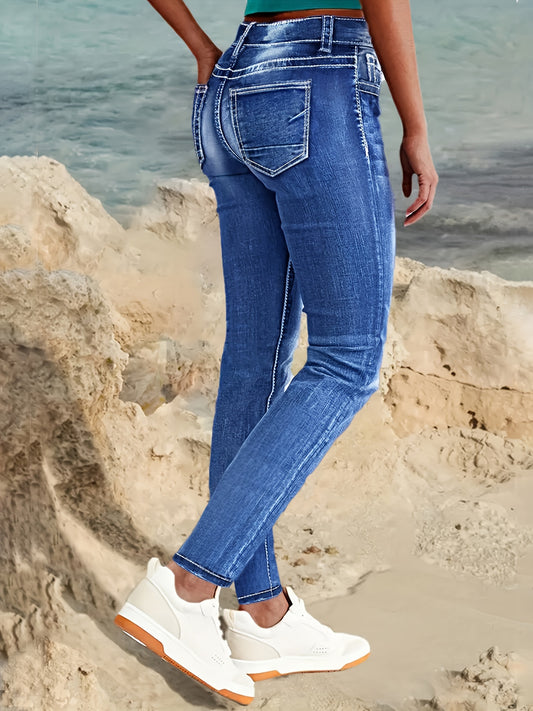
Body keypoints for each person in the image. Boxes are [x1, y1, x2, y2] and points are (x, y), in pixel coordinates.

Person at [114, 0, 438, 706]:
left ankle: (263, 611)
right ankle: (189, 584)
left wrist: (202, 48)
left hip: (233, 85)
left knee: (257, 353)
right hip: (316, 80)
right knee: (346, 361)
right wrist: (414, 125)